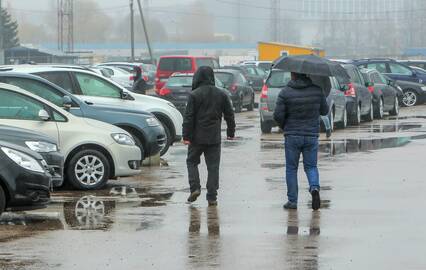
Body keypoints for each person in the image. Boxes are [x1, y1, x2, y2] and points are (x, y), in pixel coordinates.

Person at [273, 72, 329, 210]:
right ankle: (314, 188)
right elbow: (324, 111)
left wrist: (284, 126)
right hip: (311, 135)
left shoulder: (285, 92)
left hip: (292, 135)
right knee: (311, 166)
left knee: (291, 169)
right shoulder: (317, 91)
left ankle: (292, 201)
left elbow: (277, 115)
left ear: (293, 75)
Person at [183, 66, 236, 206]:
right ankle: (212, 196)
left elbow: (188, 117)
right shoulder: (222, 94)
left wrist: (186, 136)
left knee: (192, 162)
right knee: (213, 167)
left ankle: (195, 188)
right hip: (214, 138)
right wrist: (231, 132)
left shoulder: (194, 95)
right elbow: (229, 114)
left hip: (196, 137)